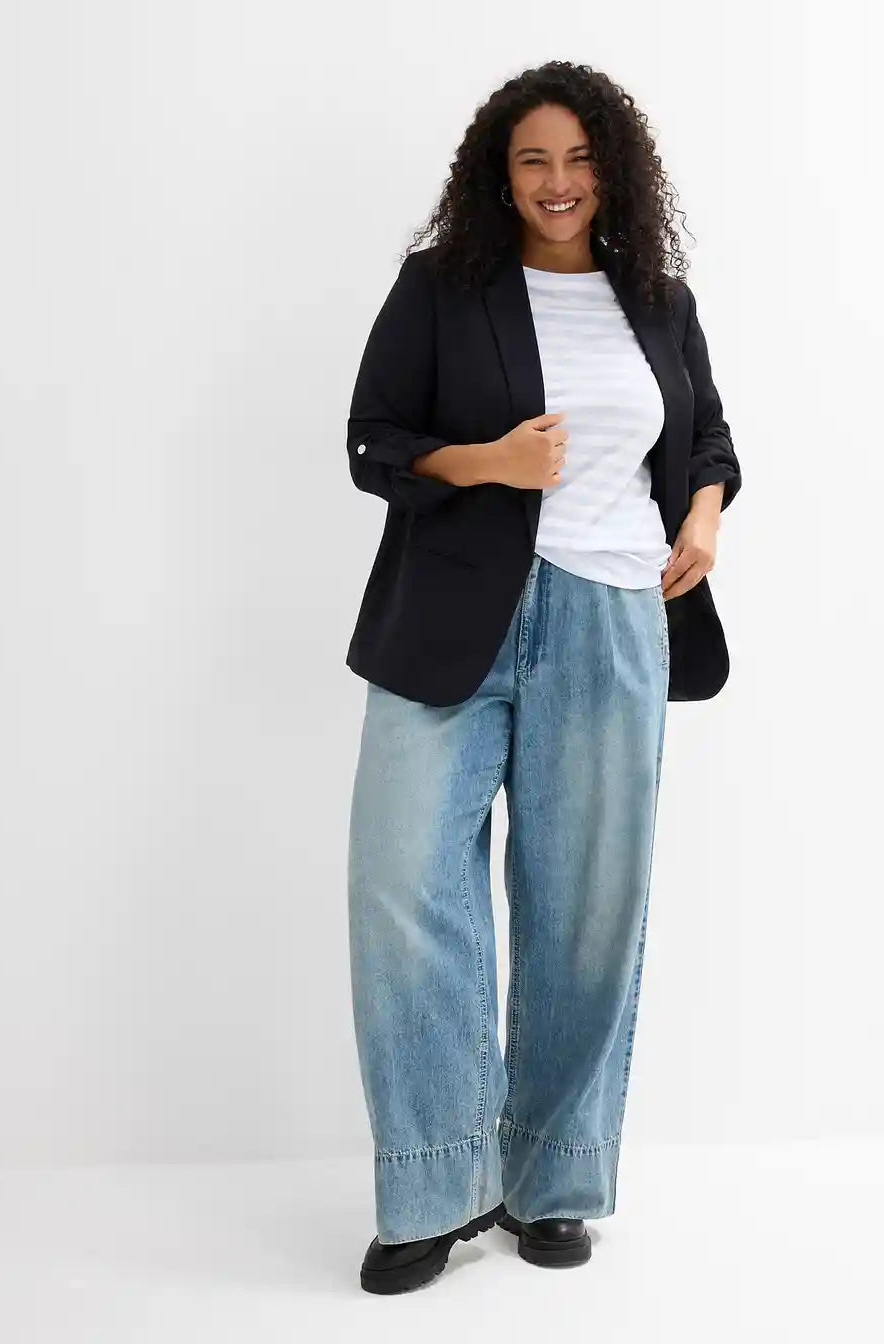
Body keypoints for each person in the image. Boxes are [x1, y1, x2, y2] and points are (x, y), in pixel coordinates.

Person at [344, 59, 742, 1296]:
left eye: (578, 159)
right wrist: (490, 460)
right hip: (451, 616)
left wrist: (704, 517)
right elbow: (374, 441)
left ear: (612, 170)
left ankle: (554, 1179)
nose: (558, 181)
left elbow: (709, 437)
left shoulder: (658, 301)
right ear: (499, 174)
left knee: (585, 908)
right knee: (405, 887)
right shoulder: (442, 287)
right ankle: (435, 1186)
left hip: (614, 617)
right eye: (534, 160)